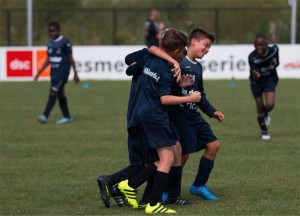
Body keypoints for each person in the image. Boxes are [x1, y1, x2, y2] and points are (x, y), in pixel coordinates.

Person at [98, 29, 200, 214]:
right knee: (165, 158)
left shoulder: (147, 56)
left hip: (139, 114)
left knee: (156, 160)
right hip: (154, 117)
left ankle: (142, 197)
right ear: (176, 51)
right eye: (183, 50)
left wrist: (179, 84)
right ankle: (138, 194)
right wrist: (190, 98)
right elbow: (164, 99)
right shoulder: (166, 67)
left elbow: (134, 61)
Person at [165, 27, 224, 202]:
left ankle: (198, 186)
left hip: (193, 115)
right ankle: (168, 191)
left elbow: (200, 95)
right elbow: (167, 91)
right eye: (205, 45)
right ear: (193, 41)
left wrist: (213, 112)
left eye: (208, 48)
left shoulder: (197, 67)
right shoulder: (177, 63)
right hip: (179, 115)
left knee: (213, 145)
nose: (206, 50)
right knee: (181, 156)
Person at [34, 22, 79, 124]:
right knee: (60, 94)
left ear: (59, 30)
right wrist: (39, 73)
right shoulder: (50, 43)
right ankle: (67, 117)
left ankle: (44, 115)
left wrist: (76, 73)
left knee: (53, 92)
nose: (51, 33)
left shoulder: (65, 42)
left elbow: (71, 59)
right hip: (54, 73)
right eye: (50, 31)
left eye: (54, 31)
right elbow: (48, 59)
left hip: (63, 72)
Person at [248, 34, 279, 140]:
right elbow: (254, 70)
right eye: (257, 45)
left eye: (262, 45)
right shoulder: (252, 57)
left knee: (270, 104)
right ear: (254, 45)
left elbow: (276, 53)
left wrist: (277, 62)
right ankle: (264, 131)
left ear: (266, 44)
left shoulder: (273, 50)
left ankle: (265, 113)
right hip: (256, 82)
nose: (259, 47)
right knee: (259, 106)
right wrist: (256, 73)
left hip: (270, 80)